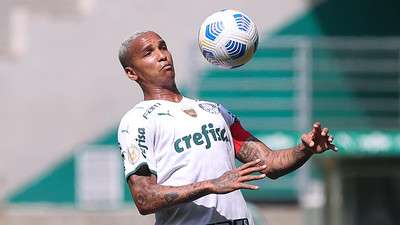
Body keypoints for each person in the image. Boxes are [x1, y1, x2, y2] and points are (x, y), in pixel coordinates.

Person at [117, 31, 336, 225]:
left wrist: (304, 150)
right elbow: (144, 197)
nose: (162, 55)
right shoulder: (138, 120)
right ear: (131, 73)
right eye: (148, 52)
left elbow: (269, 164)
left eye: (163, 46)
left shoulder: (214, 111)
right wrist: (211, 184)